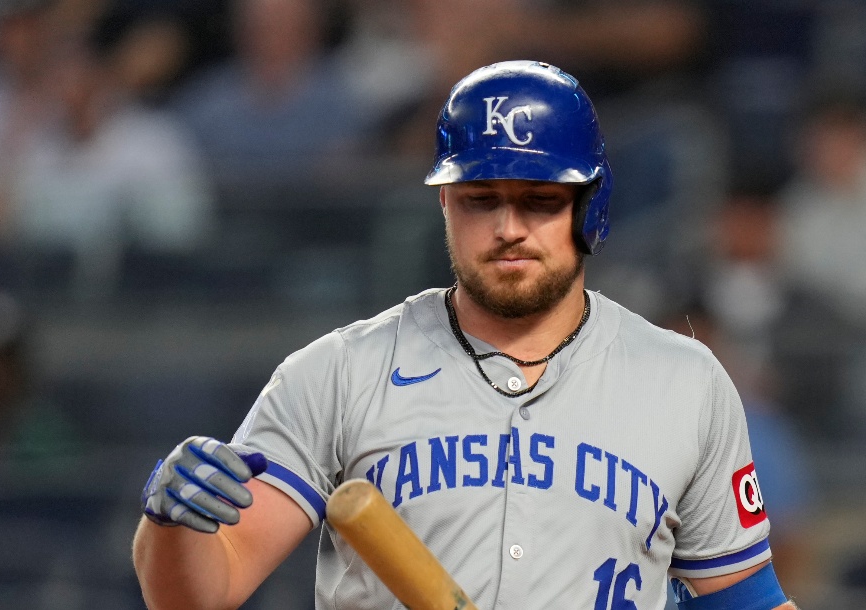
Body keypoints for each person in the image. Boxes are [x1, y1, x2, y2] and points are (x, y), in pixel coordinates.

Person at [132, 60, 798, 610]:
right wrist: (170, 528)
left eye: (539, 198)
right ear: (446, 205)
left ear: (590, 207)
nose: (509, 227)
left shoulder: (683, 381)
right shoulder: (340, 371)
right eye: (482, 198)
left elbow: (744, 597)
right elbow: (200, 595)